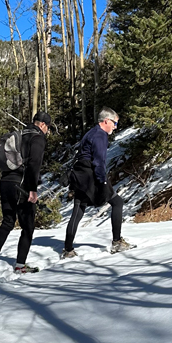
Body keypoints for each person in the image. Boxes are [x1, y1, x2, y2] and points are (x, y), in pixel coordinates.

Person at [62, 107, 133, 259]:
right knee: (117, 202)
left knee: (78, 211)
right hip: (92, 176)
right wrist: (102, 182)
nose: (115, 127)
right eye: (114, 123)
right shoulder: (100, 136)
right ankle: (117, 242)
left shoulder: (91, 132)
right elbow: (98, 162)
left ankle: (68, 250)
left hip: (80, 176)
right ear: (106, 121)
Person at [0, 111, 51, 277]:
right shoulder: (37, 138)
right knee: (28, 226)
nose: (47, 131)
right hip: (22, 185)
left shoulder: (20, 134)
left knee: (8, 221)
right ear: (43, 125)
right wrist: (32, 189)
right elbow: (34, 164)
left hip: (5, 181)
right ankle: (20, 265)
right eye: (48, 128)